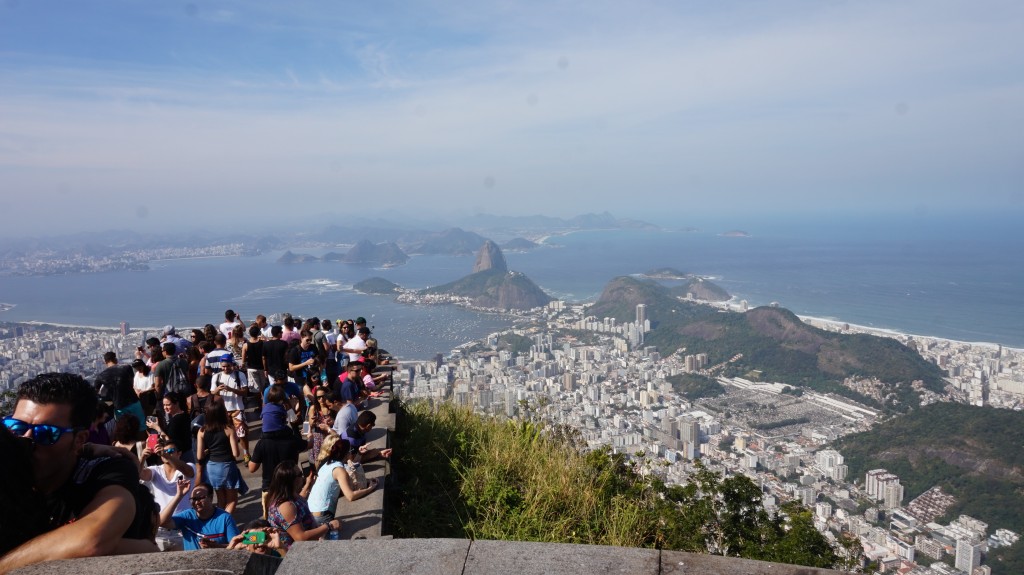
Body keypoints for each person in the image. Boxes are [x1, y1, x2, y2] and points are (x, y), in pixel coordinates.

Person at [0, 373, 158, 572]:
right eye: (16, 427)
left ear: (79, 439)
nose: (26, 440)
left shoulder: (104, 471)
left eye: (46, 434)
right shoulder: (9, 466)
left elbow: (93, 538)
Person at [248, 401, 308, 519]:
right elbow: (307, 445)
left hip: (270, 489)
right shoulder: (291, 438)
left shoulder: (262, 443)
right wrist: (309, 434)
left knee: (272, 521)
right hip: (291, 487)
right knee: (294, 518)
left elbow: (252, 468)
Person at [307, 433, 378, 526]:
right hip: (322, 515)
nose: (352, 453)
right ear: (347, 454)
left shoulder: (327, 463)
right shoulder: (339, 470)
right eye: (351, 450)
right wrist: (370, 489)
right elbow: (350, 496)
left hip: (309, 511)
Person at [139, 438, 195, 551]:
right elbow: (140, 475)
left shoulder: (188, 466)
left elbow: (188, 471)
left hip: (182, 528)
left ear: (179, 453)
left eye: (171, 451)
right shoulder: (155, 470)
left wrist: (167, 456)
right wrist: (142, 458)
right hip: (161, 530)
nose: (166, 453)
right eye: (164, 451)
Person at [266, 462, 336, 549]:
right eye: (300, 474)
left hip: (308, 546)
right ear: (291, 480)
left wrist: (308, 484)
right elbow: (300, 538)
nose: (303, 477)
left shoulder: (289, 495)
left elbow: (299, 502)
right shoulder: (285, 507)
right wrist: (329, 526)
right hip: (296, 553)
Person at [195, 401, 247, 515]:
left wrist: (208, 450)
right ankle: (225, 523)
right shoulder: (229, 429)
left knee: (221, 500)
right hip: (227, 466)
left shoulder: (202, 431)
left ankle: (218, 523)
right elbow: (236, 453)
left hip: (212, 467)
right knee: (232, 500)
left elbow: (199, 456)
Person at [159, 482, 239, 550]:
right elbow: (162, 522)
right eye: (194, 499)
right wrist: (179, 495)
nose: (197, 502)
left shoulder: (225, 518)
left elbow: (236, 545)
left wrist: (216, 546)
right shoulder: (187, 516)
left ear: (211, 498)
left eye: (201, 498)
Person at [211, 355, 253, 462]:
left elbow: (245, 392)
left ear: (232, 365)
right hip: (222, 411)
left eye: (228, 366)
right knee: (225, 434)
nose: (226, 369)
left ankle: (246, 453)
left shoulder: (240, 375)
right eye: (224, 366)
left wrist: (231, 389)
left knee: (242, 434)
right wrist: (217, 390)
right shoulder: (216, 377)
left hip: (237, 409)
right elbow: (212, 393)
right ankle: (231, 454)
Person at [95, 351, 146, 425]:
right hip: (133, 401)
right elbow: (132, 383)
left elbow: (95, 392)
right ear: (115, 359)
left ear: (105, 362)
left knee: (124, 430)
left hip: (119, 407)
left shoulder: (101, 376)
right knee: (141, 426)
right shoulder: (126, 367)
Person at [156, 392, 194, 463]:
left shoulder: (176, 420)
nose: (165, 408)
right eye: (164, 405)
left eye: (168, 405)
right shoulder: (184, 415)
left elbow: (169, 440)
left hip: (181, 457)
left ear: (176, 404)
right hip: (187, 453)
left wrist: (157, 428)